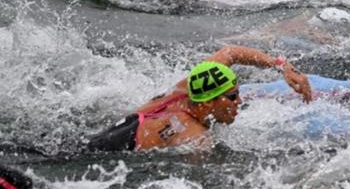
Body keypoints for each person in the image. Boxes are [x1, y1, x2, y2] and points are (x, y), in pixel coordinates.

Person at [86, 46, 312, 152]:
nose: (239, 102)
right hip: (100, 157)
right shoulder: (195, 135)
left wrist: (281, 66)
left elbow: (231, 53)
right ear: (207, 103)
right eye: (232, 97)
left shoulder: (188, 87)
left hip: (103, 136)